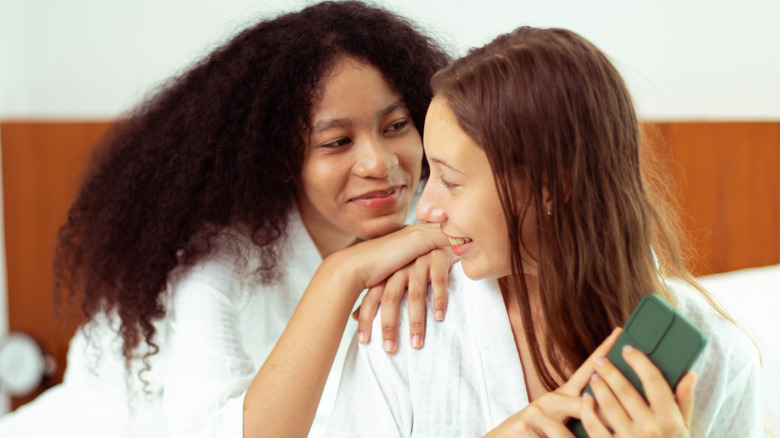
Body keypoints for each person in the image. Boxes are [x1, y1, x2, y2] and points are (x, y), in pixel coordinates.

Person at [0, 2, 452, 437]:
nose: (380, 162)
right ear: (280, 159)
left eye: (395, 126)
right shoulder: (216, 264)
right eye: (336, 142)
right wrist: (339, 275)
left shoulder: (427, 223)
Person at [324, 26, 763, 437]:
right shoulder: (405, 324)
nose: (428, 208)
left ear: (552, 187)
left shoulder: (716, 361)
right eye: (429, 174)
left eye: (451, 181)